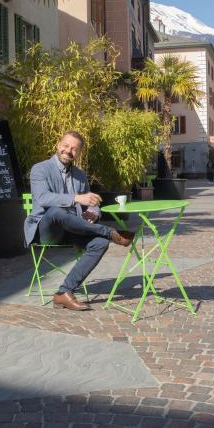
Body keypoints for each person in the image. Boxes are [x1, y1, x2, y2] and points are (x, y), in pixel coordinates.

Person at [23, 131, 134, 311]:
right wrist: (76, 198)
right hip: (46, 229)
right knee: (57, 211)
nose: (69, 151)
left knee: (99, 243)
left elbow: (91, 203)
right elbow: (43, 198)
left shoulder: (80, 175)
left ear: (79, 153)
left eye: (74, 149)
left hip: (72, 227)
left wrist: (93, 213)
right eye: (66, 145)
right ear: (58, 145)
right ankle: (109, 231)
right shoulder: (40, 168)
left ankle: (64, 293)